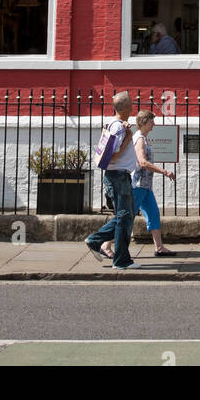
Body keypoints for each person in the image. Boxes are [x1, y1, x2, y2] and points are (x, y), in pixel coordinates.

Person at [85, 90, 137, 271]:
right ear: (124, 107)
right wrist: (128, 138)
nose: (133, 106)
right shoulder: (117, 127)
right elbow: (112, 156)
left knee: (126, 216)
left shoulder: (116, 125)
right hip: (118, 176)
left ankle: (104, 246)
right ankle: (120, 259)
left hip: (119, 176)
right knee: (125, 217)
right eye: (131, 104)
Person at [130, 108, 177, 257]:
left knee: (153, 214)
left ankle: (159, 248)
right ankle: (105, 243)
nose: (154, 124)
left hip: (145, 186)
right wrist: (164, 171)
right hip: (138, 186)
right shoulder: (139, 138)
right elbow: (142, 162)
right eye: (151, 121)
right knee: (127, 217)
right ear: (144, 122)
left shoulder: (142, 137)